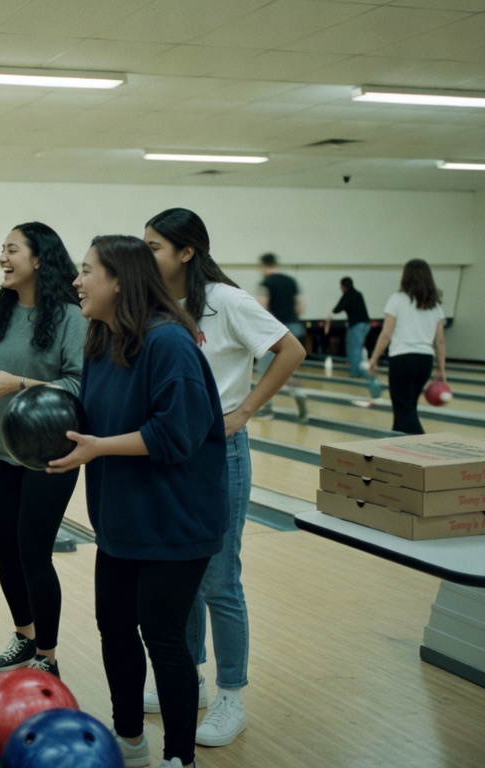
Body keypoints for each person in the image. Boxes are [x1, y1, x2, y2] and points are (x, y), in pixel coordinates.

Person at [49, 234, 228, 768]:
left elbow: (177, 434)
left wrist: (100, 448)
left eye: (86, 271)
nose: (76, 281)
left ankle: (180, 758)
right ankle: (129, 739)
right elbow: (93, 412)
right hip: (123, 517)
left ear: (120, 280)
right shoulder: (101, 339)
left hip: (175, 521)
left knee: (165, 639)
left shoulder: (169, 343)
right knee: (116, 628)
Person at [142, 207, 305, 749]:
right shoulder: (161, 304)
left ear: (187, 252)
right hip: (172, 454)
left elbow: (291, 349)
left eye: (155, 248)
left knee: (219, 578)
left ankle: (232, 694)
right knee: (182, 575)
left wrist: (246, 410)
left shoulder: (226, 301)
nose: (146, 257)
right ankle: (190, 680)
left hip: (220, 452)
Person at [0, 222, 86, 678]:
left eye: (11, 249)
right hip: (0, 451)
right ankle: (24, 635)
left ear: (38, 260)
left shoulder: (71, 319)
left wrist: (19, 383)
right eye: (2, 248)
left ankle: (48, 657)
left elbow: (78, 386)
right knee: (5, 550)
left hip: (49, 456)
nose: (2, 256)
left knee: (33, 551)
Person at [365, 259, 447, 435]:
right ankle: (399, 451)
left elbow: (386, 334)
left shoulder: (397, 299)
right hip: (425, 360)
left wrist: (374, 358)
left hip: (403, 359)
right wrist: (441, 369)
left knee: (404, 409)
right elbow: (439, 340)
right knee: (408, 407)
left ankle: (424, 445)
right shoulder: (435, 305)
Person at [325, 277, 372, 379]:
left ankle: (356, 372)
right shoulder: (358, 294)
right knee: (355, 347)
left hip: (357, 325)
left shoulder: (347, 295)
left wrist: (329, 318)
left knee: (354, 348)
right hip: (366, 325)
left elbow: (338, 308)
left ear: (344, 286)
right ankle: (358, 370)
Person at [257, 253, 304, 346]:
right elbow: (300, 307)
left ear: (263, 265)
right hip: (294, 328)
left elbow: (262, 308)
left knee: (269, 360)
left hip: (276, 330)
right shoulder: (290, 281)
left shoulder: (266, 283)